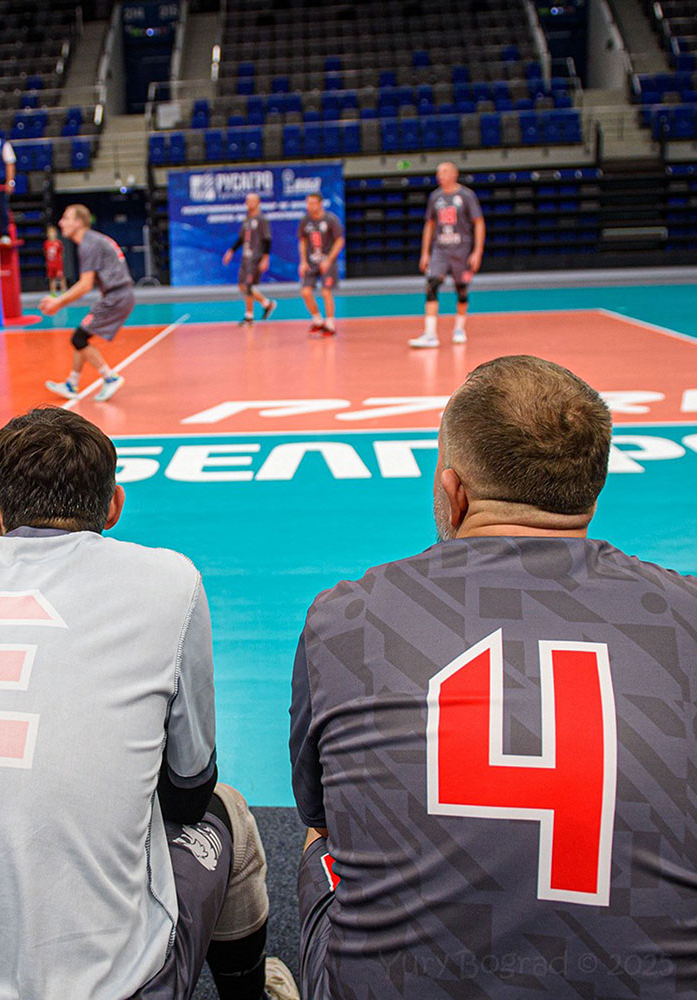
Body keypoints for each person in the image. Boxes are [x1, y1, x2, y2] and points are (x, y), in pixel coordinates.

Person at [0, 406, 287, 1000]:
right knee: (226, 814)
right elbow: (189, 789)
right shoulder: (170, 580)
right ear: (113, 506)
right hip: (99, 987)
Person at [290, 355, 697, 999]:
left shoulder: (348, 614)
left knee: (322, 838)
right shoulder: (685, 610)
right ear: (591, 492)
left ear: (454, 492)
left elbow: (319, 810)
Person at [40, 204, 133, 402]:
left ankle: (110, 377)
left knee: (79, 338)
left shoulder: (88, 244)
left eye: (66, 218)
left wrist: (58, 302)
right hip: (117, 295)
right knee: (81, 336)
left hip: (116, 296)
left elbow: (85, 285)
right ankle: (72, 383)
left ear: (78, 222)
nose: (61, 222)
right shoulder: (92, 240)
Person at [409, 160, 484, 348]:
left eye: (443, 172)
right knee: (432, 284)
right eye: (438, 172)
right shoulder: (435, 197)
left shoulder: (466, 195)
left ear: (454, 174)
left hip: (461, 249)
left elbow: (479, 222)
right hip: (440, 249)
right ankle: (430, 334)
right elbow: (430, 224)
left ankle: (459, 328)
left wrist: (477, 251)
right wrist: (425, 252)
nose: (439, 176)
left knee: (461, 289)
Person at [222, 193, 275, 326]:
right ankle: (266, 303)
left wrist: (265, 258)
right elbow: (241, 238)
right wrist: (231, 251)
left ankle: (249, 316)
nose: (249, 203)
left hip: (256, 256)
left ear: (258, 202)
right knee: (242, 286)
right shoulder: (247, 219)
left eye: (252, 201)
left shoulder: (262, 219)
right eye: (247, 201)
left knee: (248, 285)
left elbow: (267, 239)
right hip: (245, 256)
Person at [296, 193, 344, 338]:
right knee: (305, 292)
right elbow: (303, 241)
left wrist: (328, 260)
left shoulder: (330, 219)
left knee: (325, 292)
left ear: (320, 204)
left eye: (313, 203)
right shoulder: (305, 221)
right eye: (308, 203)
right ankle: (317, 321)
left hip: (327, 262)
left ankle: (330, 324)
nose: (309, 206)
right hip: (311, 262)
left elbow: (339, 241)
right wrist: (303, 262)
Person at [43, 224, 66, 295]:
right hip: (50, 264)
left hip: (58, 264)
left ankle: (64, 291)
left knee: (61, 277)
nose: (51, 234)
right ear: (47, 234)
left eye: (53, 232)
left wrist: (60, 262)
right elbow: (45, 253)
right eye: (50, 232)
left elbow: (61, 253)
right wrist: (48, 262)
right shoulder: (46, 243)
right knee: (51, 278)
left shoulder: (58, 243)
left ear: (56, 233)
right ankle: (53, 292)